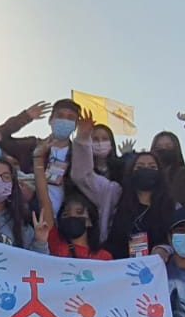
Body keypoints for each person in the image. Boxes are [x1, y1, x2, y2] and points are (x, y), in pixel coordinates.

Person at [71, 109, 174, 259]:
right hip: (114, 265)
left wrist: (164, 250)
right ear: (131, 171)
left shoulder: (170, 205)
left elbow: (175, 239)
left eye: (152, 167)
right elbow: (82, 176)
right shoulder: (114, 193)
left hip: (153, 269)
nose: (145, 170)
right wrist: (83, 138)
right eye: (140, 167)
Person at [35, 145, 112, 260]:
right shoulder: (55, 244)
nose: (72, 216)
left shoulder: (104, 257)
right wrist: (37, 159)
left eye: (79, 212)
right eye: (66, 214)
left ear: (90, 221)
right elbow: (44, 200)